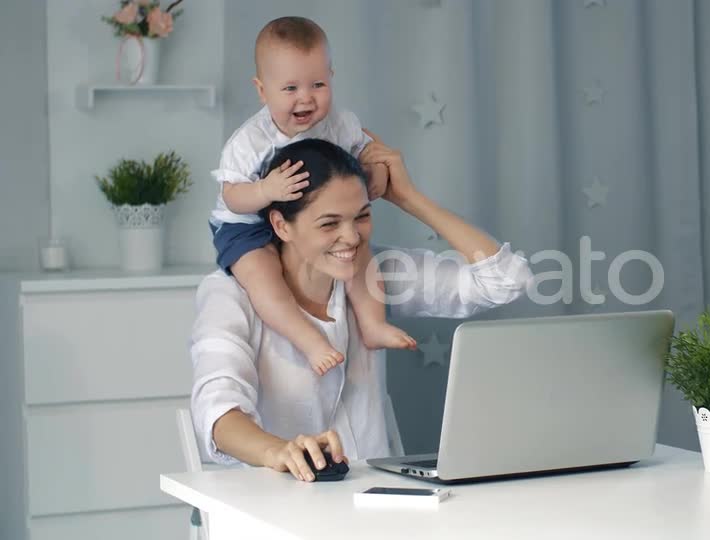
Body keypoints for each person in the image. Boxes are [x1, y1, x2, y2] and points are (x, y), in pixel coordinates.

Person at [191, 135, 533, 482]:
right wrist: (277, 450)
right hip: (279, 508)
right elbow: (218, 412)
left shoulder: (373, 274)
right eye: (329, 223)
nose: (352, 237)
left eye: (362, 217)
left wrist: (409, 198)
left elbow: (506, 280)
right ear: (281, 225)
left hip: (379, 503)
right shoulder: (229, 295)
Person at [209, 16, 413, 379]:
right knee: (263, 278)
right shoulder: (250, 141)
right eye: (289, 89)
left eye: (317, 84)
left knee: (360, 254)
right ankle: (309, 340)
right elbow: (231, 196)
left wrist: (378, 173)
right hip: (248, 226)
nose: (306, 98)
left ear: (331, 76)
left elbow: (369, 149)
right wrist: (264, 191)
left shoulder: (339, 123)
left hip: (312, 224)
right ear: (262, 89)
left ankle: (372, 323)